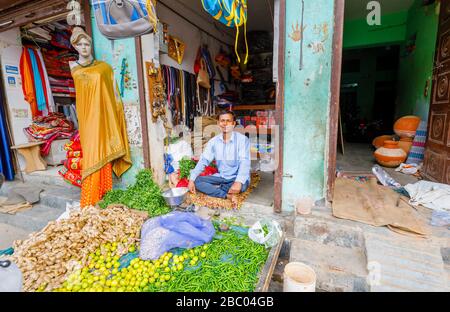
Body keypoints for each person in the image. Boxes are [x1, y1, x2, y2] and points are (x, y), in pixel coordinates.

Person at [69, 27, 132, 207]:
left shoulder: (103, 68)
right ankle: (89, 199)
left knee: (103, 150)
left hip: (102, 118)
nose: (84, 47)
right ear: (75, 46)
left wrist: (114, 116)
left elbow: (112, 95)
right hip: (86, 119)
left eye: (87, 44)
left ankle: (103, 194)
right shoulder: (73, 66)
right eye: (80, 44)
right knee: (91, 155)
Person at [188, 110, 250, 207]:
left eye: (228, 121)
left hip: (236, 178)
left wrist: (238, 182)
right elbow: (204, 160)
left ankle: (218, 189)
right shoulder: (214, 141)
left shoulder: (242, 140)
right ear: (218, 123)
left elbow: (244, 163)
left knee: (242, 185)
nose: (225, 124)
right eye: (222, 121)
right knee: (197, 181)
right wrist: (191, 179)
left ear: (233, 124)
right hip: (222, 177)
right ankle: (226, 195)